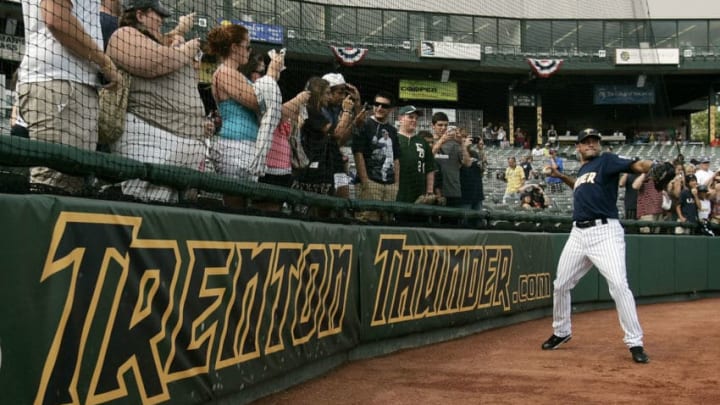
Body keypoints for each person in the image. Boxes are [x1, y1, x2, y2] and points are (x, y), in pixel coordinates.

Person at [540, 128, 655, 364]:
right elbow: (581, 187)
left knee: (618, 285)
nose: (591, 143)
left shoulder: (607, 161)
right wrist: (562, 177)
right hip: (578, 234)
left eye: (594, 140)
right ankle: (561, 332)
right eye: (586, 141)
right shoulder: (584, 171)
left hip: (605, 232)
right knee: (561, 284)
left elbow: (638, 166)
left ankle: (635, 342)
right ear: (578, 147)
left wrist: (651, 164)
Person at [106, 0, 208, 203]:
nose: (162, 20)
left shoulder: (163, 43)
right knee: (143, 210)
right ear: (140, 15)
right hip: (149, 140)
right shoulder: (125, 34)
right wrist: (187, 49)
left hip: (182, 149)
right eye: (157, 15)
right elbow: (155, 63)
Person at [18, 0, 119, 194]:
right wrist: (105, 63)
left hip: (71, 84)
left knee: (70, 185)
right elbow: (55, 16)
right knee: (53, 185)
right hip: (60, 83)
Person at [353, 91, 400, 222]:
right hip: (371, 182)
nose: (379, 108)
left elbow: (396, 158)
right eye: (377, 104)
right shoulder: (365, 124)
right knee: (367, 220)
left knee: (388, 222)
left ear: (391, 109)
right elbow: (358, 153)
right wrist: (365, 181)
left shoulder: (392, 130)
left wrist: (396, 184)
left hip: (390, 184)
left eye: (384, 106)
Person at [395, 105, 435, 206]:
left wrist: (429, 192)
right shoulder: (393, 138)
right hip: (397, 190)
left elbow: (430, 168)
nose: (414, 120)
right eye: (411, 117)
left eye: (416, 118)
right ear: (400, 118)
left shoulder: (422, 142)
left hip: (418, 192)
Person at [432, 125, 472, 208]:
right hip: (434, 192)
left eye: (446, 126)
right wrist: (441, 141)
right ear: (434, 126)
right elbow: (428, 156)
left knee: (452, 219)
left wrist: (462, 144)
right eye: (440, 125)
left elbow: (467, 163)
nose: (443, 128)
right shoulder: (430, 141)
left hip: (452, 191)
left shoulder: (456, 145)